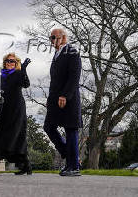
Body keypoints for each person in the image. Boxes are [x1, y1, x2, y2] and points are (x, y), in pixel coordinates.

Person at [0, 53, 32, 175]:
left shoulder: (18, 73)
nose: (9, 63)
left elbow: (26, 84)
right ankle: (26, 166)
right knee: (7, 136)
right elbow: (3, 94)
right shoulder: (3, 75)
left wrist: (23, 69)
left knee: (11, 137)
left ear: (16, 63)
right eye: (7, 61)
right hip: (6, 108)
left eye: (12, 61)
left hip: (17, 109)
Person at [43, 28, 82, 177]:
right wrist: (49, 99)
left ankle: (73, 167)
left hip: (69, 99)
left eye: (54, 37)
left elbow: (74, 77)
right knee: (48, 127)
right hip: (55, 100)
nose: (52, 41)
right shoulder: (57, 54)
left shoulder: (72, 52)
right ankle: (69, 154)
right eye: (50, 38)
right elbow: (54, 81)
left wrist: (65, 95)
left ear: (63, 38)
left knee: (71, 130)